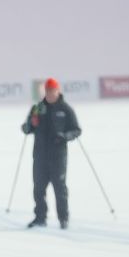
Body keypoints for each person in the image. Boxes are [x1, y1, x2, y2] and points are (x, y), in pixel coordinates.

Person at [21, 77, 81, 229]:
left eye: (52, 91)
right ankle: (40, 217)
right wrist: (29, 126)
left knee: (60, 189)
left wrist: (65, 136)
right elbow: (27, 128)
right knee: (38, 189)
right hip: (40, 156)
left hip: (58, 157)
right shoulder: (37, 108)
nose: (50, 94)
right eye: (47, 91)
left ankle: (63, 218)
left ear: (58, 90)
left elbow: (76, 130)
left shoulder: (65, 109)